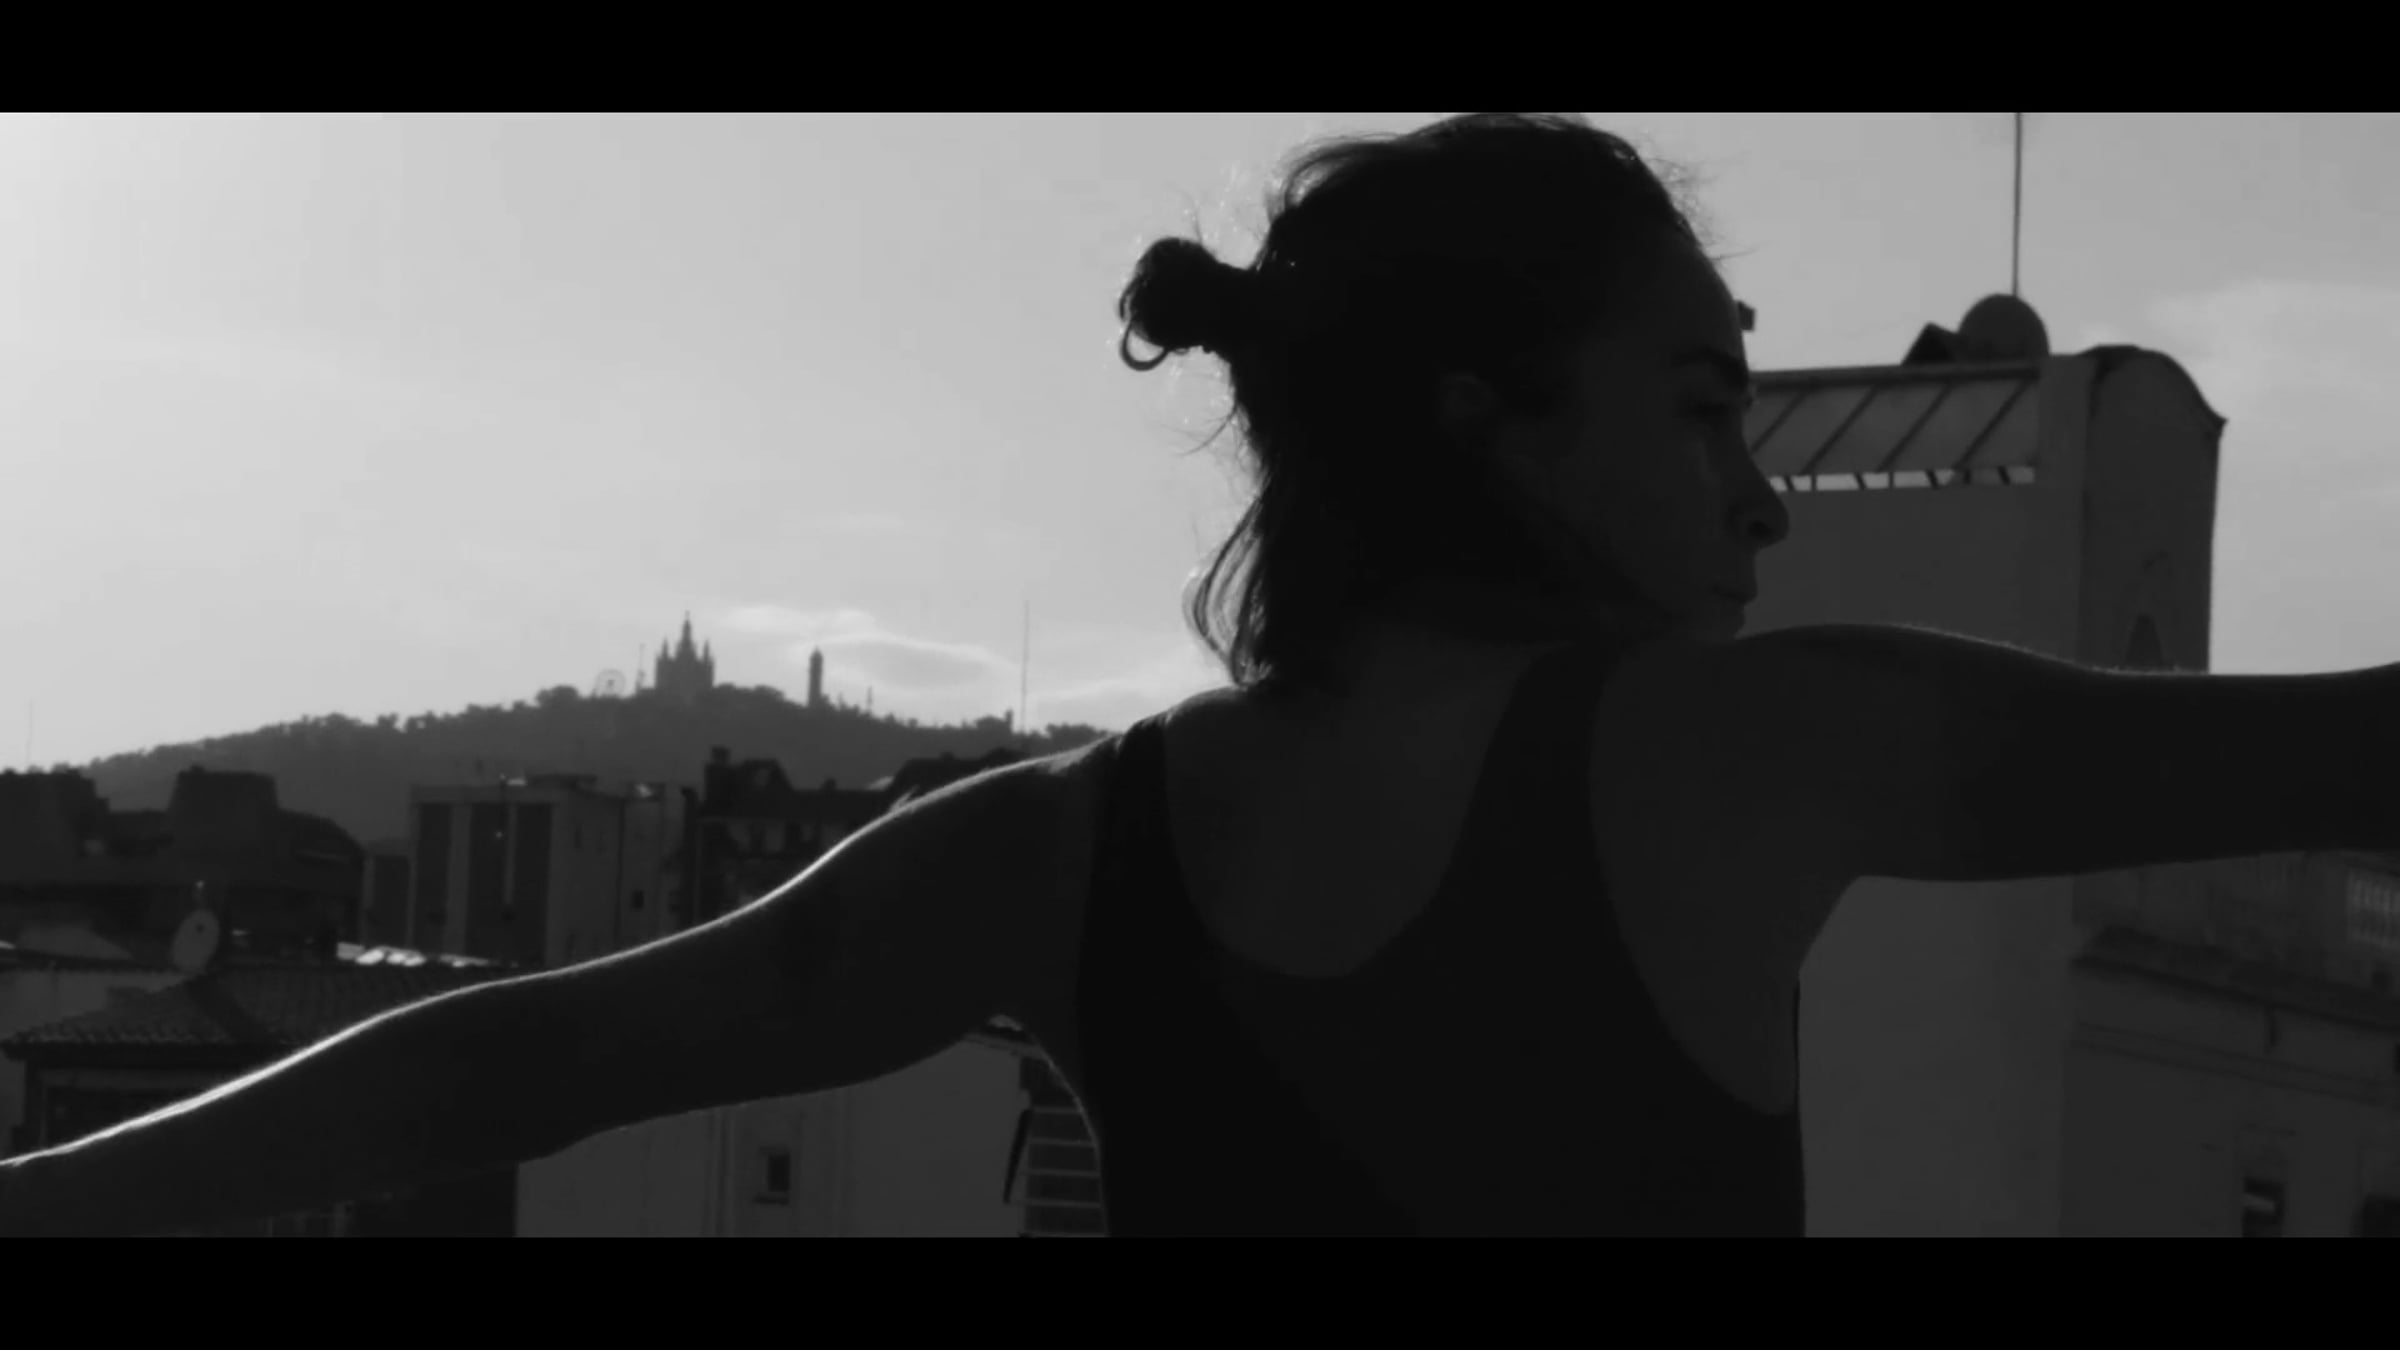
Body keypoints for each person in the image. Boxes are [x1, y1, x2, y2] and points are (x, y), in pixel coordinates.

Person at [2, 112, 2393, 1237]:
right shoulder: (1764, 749)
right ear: (1491, 419)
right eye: (1699, 404)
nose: (1758, 494)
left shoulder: (1061, 850)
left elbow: (503, 1061)